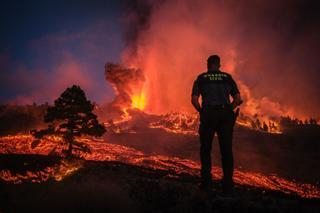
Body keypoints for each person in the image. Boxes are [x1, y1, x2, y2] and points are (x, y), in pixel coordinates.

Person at [191, 55, 242, 193]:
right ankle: (227, 184)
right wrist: (229, 109)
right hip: (225, 114)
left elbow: (194, 100)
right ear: (219, 65)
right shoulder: (227, 77)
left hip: (208, 114)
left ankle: (206, 183)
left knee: (205, 149)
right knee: (226, 150)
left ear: (208, 65)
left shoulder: (201, 78)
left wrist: (201, 111)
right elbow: (238, 98)